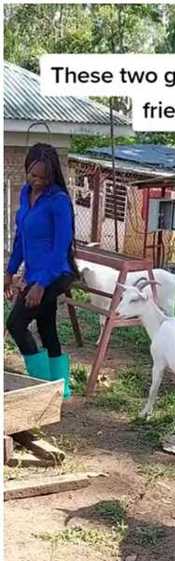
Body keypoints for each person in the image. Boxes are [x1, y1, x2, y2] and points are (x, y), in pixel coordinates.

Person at [5, 143, 79, 399]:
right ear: (27, 169)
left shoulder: (58, 201)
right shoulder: (26, 194)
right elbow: (20, 239)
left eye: (44, 177)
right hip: (36, 273)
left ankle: (43, 387)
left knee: (15, 323)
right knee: (47, 327)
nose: (37, 181)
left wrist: (40, 284)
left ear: (53, 174)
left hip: (56, 273)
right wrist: (10, 271)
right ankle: (60, 389)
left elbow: (60, 249)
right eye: (33, 175)